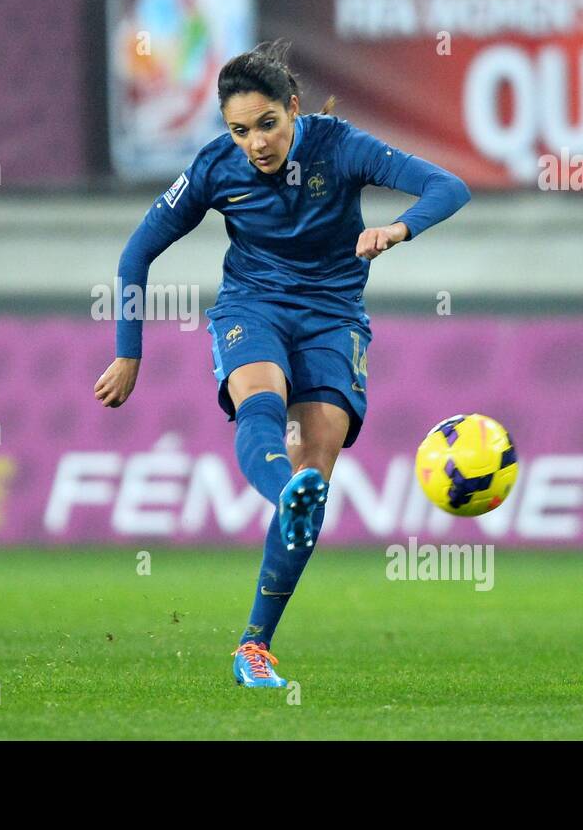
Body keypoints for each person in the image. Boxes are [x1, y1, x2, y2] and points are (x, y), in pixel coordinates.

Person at [95, 41, 470, 687]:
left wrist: (397, 229)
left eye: (267, 124)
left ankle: (253, 647)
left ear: (293, 108)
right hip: (254, 305)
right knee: (261, 402)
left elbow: (448, 185)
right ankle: (283, 492)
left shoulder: (341, 146)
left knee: (317, 455)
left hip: (333, 316)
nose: (256, 144)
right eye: (240, 130)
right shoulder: (216, 168)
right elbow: (136, 256)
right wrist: (129, 354)